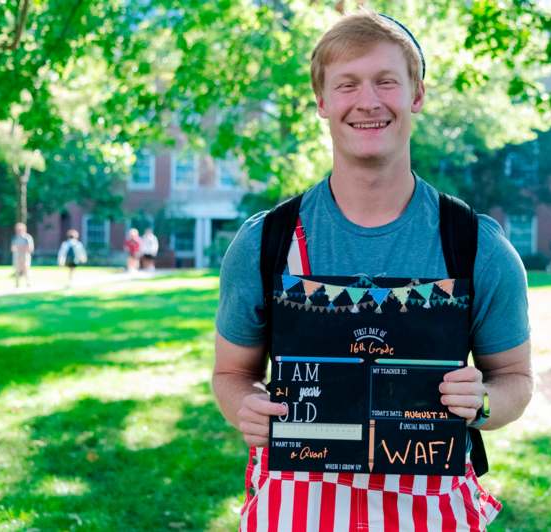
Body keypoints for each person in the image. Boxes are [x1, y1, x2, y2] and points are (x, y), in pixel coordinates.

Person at [213, 11, 532, 531]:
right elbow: (231, 375)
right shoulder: (266, 241)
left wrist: (486, 402)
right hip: (296, 508)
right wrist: (245, 406)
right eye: (347, 85)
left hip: (430, 509)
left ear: (417, 95)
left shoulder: (476, 244)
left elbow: (515, 380)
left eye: (387, 81)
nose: (368, 101)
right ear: (322, 102)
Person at [11, 223, 35, 288]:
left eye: (20, 229)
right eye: (17, 229)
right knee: (17, 270)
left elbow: (30, 248)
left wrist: (20, 248)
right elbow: (13, 248)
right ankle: (17, 284)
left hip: (25, 256)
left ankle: (28, 283)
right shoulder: (15, 238)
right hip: (17, 256)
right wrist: (21, 248)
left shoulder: (27, 238)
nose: (18, 231)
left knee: (26, 270)